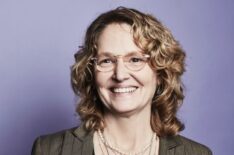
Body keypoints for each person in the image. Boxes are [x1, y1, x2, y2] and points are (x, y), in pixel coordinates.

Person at [32, 7, 212, 155]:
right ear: (91, 73)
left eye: (135, 59)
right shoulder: (48, 150)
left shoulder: (196, 153)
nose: (120, 75)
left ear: (160, 72)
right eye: (107, 61)